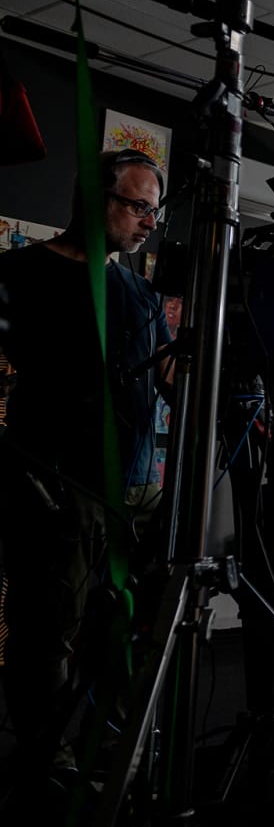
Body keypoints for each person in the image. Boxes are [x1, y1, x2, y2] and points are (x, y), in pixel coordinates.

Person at [0, 148, 174, 808]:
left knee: (123, 623)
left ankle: (108, 741)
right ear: (96, 201)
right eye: (137, 206)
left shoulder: (138, 290)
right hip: (53, 485)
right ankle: (45, 756)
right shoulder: (22, 271)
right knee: (49, 628)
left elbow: (165, 376)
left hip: (128, 490)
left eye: (153, 211)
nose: (148, 223)